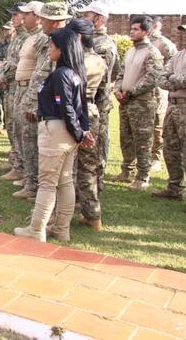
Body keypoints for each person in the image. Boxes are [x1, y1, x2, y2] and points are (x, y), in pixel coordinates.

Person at [14, 27, 93, 242]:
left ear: (62, 48)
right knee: (65, 181)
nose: (49, 49)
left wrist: (78, 132)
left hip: (57, 130)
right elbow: (81, 108)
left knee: (48, 182)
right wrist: (82, 131)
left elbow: (67, 107)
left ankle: (36, 229)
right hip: (68, 132)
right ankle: (61, 229)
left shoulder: (60, 74)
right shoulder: (76, 73)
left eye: (52, 45)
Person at [112, 15, 164, 189]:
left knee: (142, 140)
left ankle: (143, 177)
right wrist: (118, 89)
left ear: (146, 32)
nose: (131, 32)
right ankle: (127, 171)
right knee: (125, 137)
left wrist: (131, 92)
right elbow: (121, 74)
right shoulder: (131, 51)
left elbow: (152, 78)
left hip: (142, 103)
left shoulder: (152, 52)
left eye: (136, 29)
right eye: (131, 28)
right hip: (126, 102)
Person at [68, 19, 108, 231]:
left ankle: (61, 215)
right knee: (89, 166)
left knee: (68, 165)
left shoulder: (75, 61)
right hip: (92, 111)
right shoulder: (100, 61)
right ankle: (93, 215)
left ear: (78, 37)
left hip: (74, 111)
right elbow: (104, 93)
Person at [153, 18, 186, 214]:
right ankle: (174, 188)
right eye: (185, 32)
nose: (185, 35)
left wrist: (172, 80)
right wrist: (174, 80)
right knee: (170, 148)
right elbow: (160, 78)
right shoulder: (178, 56)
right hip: (174, 107)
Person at [77, 2, 119, 191]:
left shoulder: (103, 44)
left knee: (94, 148)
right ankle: (82, 190)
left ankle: (95, 189)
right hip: (84, 101)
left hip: (97, 102)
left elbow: (100, 77)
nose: (83, 19)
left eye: (87, 15)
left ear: (99, 19)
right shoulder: (87, 40)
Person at [0, 3, 28, 174]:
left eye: (15, 15)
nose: (12, 18)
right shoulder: (17, 36)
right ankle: (14, 159)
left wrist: (3, 77)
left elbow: (21, 64)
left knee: (17, 126)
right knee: (11, 124)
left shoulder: (28, 37)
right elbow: (9, 61)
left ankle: (19, 165)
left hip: (18, 86)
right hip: (10, 86)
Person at [149, 16, 178, 172]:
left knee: (158, 123)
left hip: (159, 88)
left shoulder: (164, 43)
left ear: (157, 25)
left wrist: (165, 78)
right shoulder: (143, 43)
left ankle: (156, 157)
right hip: (145, 88)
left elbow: (174, 61)